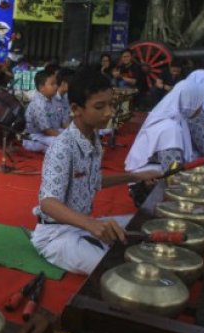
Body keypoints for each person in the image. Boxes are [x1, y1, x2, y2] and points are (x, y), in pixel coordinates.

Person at [30, 69, 161, 275]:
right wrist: (90, 224)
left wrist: (136, 176)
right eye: (100, 106)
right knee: (119, 271)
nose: (109, 112)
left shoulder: (94, 139)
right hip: (55, 235)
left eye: (110, 104)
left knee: (147, 225)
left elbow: (93, 181)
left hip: (82, 225)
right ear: (76, 109)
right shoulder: (63, 147)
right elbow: (48, 203)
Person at [22, 70, 66, 152]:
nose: (56, 86)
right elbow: (47, 131)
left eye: (56, 83)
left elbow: (62, 124)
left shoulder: (55, 100)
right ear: (42, 88)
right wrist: (65, 137)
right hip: (35, 137)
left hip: (51, 132)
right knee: (61, 142)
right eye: (52, 84)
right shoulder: (38, 104)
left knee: (72, 134)